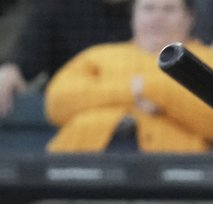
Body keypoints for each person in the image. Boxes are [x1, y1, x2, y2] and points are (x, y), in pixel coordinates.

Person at [44, 0, 213, 152]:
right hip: (82, 160)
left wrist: (150, 89)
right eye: (148, 8)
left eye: (169, 9)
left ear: (189, 17)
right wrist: (131, 91)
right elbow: (57, 104)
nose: (157, 17)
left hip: (171, 168)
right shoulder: (98, 56)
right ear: (133, 16)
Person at [0, 0, 131, 117]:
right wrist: (11, 69)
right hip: (73, 116)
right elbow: (29, 51)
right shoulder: (58, 5)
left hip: (134, 108)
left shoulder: (141, 10)